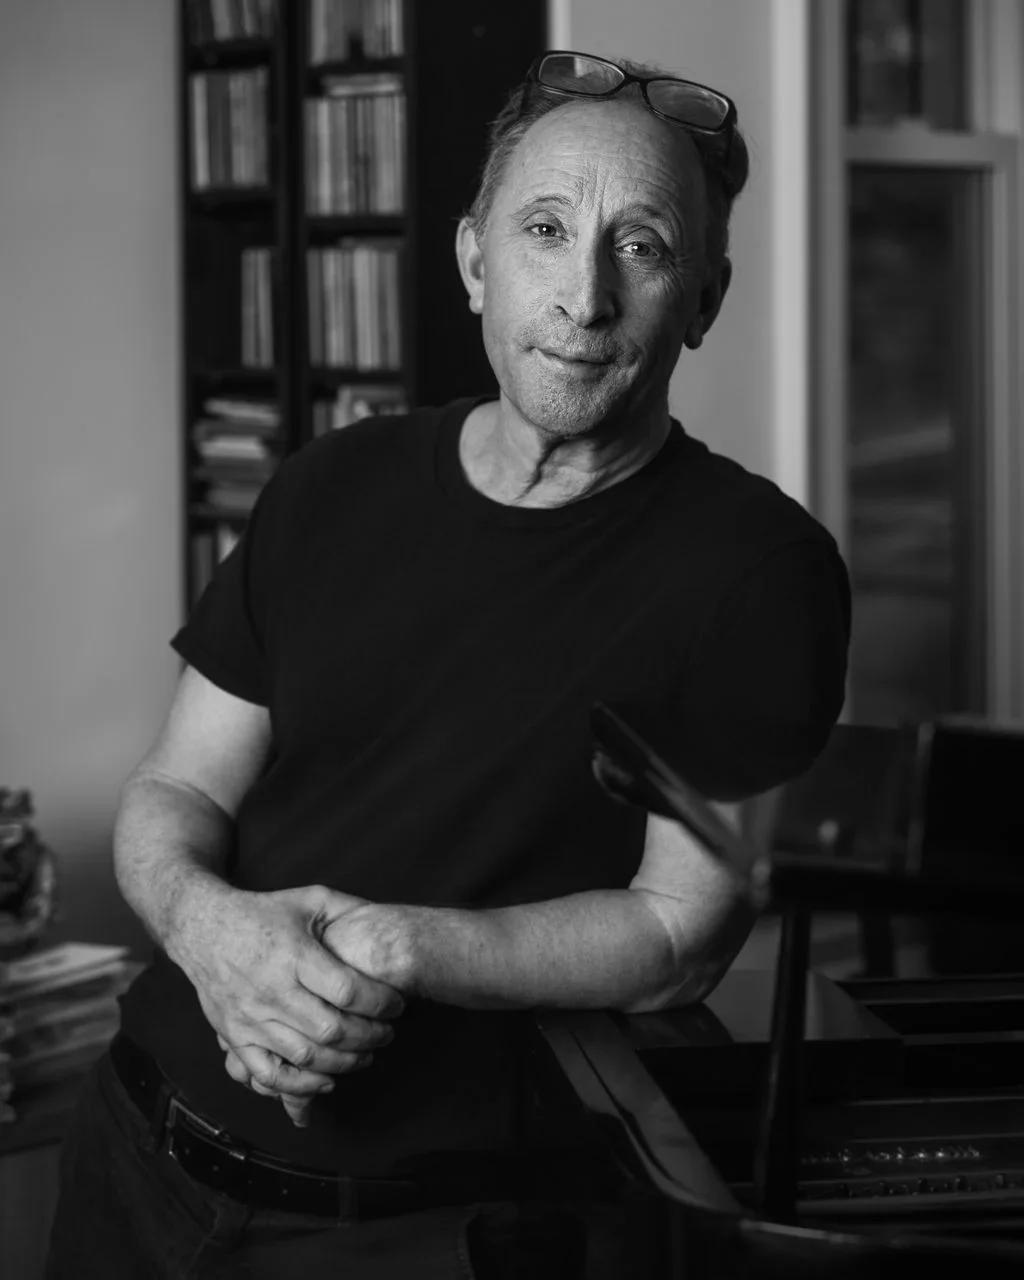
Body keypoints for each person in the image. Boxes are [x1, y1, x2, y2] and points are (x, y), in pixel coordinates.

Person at [46, 50, 850, 1279]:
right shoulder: (330, 482)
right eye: (544, 230)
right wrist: (213, 934)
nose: (582, 299)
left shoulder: (761, 569)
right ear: (475, 259)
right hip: (133, 1156)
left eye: (638, 246)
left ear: (704, 294)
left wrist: (400, 945)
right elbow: (178, 793)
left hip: (428, 1228)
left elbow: (677, 929)